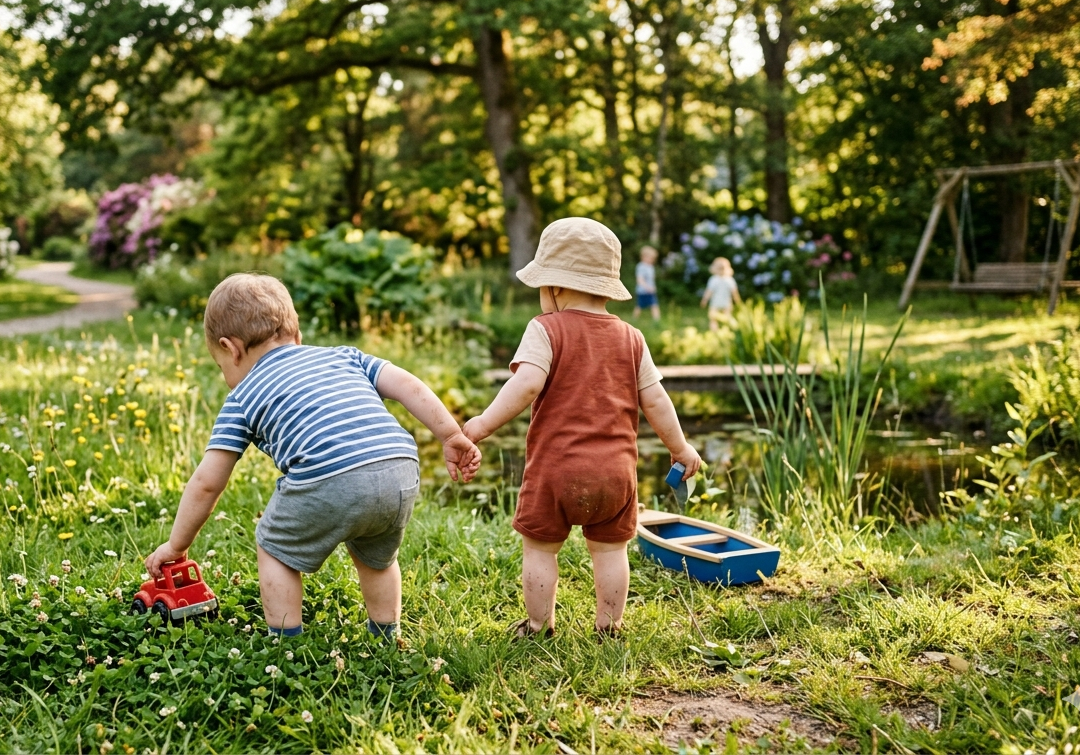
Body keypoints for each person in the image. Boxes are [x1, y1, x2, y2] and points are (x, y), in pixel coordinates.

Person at [144, 273, 480, 640]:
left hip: (330, 477)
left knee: (274, 550)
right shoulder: (345, 356)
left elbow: (208, 483)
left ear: (232, 348)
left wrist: (177, 545)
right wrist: (450, 434)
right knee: (377, 558)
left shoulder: (241, 397)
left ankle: (286, 644)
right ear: (296, 334)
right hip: (399, 467)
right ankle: (385, 635)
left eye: (222, 365)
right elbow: (407, 386)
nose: (227, 376)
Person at [462, 218, 702, 638]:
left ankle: (539, 625)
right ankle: (609, 626)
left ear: (553, 286)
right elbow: (656, 400)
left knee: (540, 549)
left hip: (556, 471)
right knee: (611, 552)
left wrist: (481, 425)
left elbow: (526, 383)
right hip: (616, 474)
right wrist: (680, 448)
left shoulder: (545, 328)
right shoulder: (632, 337)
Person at [700, 257, 740, 331]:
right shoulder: (715, 279)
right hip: (717, 302)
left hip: (725, 302)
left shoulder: (728, 280)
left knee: (726, 317)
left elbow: (734, 292)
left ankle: (726, 330)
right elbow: (709, 291)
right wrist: (705, 300)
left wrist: (737, 300)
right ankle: (715, 330)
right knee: (713, 318)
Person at [633, 245, 661, 321]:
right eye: (651, 258)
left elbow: (651, 279)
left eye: (653, 259)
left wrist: (652, 287)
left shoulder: (650, 267)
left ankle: (657, 321)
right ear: (643, 257)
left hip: (651, 291)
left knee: (654, 305)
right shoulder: (641, 267)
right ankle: (634, 319)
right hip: (642, 291)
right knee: (639, 306)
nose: (652, 260)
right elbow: (640, 280)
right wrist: (647, 287)